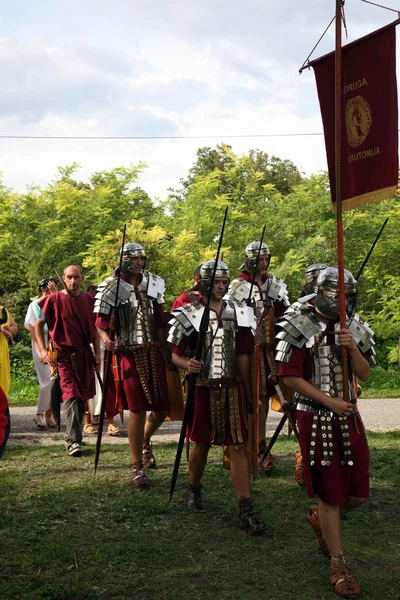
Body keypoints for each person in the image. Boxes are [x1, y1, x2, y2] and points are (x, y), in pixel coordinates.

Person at [276, 266, 375, 599]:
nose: (344, 302)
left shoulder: (353, 325)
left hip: (349, 417)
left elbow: (365, 373)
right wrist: (329, 401)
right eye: (338, 295)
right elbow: (289, 377)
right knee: (331, 495)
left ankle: (320, 519)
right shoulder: (302, 322)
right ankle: (339, 565)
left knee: (358, 495)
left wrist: (353, 349)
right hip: (317, 417)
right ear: (323, 293)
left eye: (348, 295)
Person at [168, 259, 265, 534]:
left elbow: (244, 356)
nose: (222, 287)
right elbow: (174, 354)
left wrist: (248, 391)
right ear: (205, 283)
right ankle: (193, 489)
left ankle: (246, 509)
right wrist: (188, 365)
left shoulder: (238, 312)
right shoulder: (189, 313)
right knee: (200, 443)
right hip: (203, 388)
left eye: (225, 282)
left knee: (237, 446)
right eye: (217, 282)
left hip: (232, 387)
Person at [95, 242, 171, 488]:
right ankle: (137, 466)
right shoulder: (111, 286)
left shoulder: (153, 283)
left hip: (153, 352)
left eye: (142, 259)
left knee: (161, 409)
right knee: (137, 410)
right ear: (125, 261)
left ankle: (145, 440)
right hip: (128, 354)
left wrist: (168, 356)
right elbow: (100, 322)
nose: (139, 263)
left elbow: (160, 323)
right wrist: (107, 339)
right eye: (135, 259)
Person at [225, 241, 290, 471]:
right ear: (249, 260)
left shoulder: (274, 282)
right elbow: (230, 320)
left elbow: (285, 315)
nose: (263, 263)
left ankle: (263, 445)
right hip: (249, 349)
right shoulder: (238, 285)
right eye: (259, 259)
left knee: (277, 394)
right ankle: (252, 445)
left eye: (265, 259)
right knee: (254, 397)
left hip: (272, 347)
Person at [35, 264, 99, 457]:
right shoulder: (53, 300)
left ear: (82, 278)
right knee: (70, 395)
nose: (73, 281)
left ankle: (76, 436)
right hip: (63, 357)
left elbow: (94, 329)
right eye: (69, 277)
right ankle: (72, 441)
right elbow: (38, 325)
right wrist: (41, 349)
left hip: (84, 355)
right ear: (63, 278)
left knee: (81, 398)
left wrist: (96, 353)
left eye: (76, 277)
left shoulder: (89, 300)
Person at [24, 276, 58, 428]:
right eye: (47, 286)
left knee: (54, 380)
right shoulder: (34, 305)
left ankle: (48, 416)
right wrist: (39, 349)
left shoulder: (55, 301)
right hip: (40, 341)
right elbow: (32, 327)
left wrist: (55, 294)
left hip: (53, 342)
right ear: (42, 288)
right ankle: (39, 414)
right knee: (46, 381)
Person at [0, 303, 18, 398]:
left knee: (3, 380)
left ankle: (2, 409)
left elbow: (15, 327)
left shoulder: (4, 311)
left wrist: (8, 328)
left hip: (2, 351)